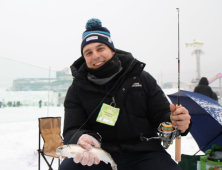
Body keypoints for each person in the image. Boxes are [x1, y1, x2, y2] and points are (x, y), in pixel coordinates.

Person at [59, 18, 191, 170]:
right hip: (97, 154)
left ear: (112, 50)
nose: (95, 56)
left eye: (100, 48)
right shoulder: (76, 89)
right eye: (88, 53)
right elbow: (72, 129)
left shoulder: (142, 78)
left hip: (145, 153)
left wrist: (175, 121)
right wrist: (81, 138)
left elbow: (162, 114)